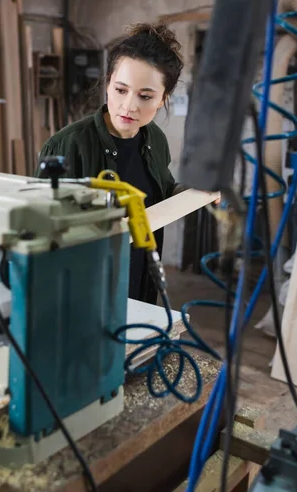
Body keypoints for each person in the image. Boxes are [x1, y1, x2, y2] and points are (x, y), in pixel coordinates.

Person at [35, 23, 186, 304]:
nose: (129, 105)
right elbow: (41, 237)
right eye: (120, 90)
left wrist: (198, 192)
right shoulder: (67, 146)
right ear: (107, 84)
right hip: (84, 293)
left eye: (145, 96)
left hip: (139, 282)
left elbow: (161, 195)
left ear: (163, 99)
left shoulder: (156, 139)